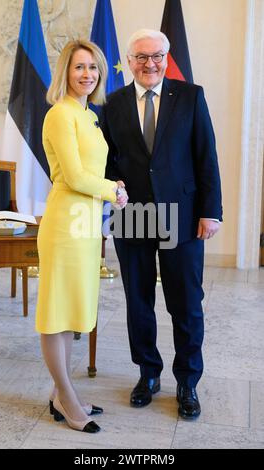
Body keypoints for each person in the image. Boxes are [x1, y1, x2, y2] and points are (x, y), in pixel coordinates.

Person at [100, 29, 222, 420]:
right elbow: (107, 161)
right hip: (133, 213)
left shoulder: (190, 96)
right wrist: (108, 200)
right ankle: (148, 374)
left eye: (157, 56)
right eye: (141, 57)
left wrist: (211, 210)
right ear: (130, 60)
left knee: (186, 303)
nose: (149, 63)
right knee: (139, 301)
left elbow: (206, 156)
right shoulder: (113, 102)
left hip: (182, 215)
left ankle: (187, 381)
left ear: (167, 58)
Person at [35, 39, 128, 433]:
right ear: (65, 72)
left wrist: (111, 184)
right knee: (56, 315)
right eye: (79, 67)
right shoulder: (60, 114)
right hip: (65, 225)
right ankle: (68, 399)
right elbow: (72, 177)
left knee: (71, 312)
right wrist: (111, 190)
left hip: (87, 224)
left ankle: (64, 391)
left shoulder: (87, 115)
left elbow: (88, 170)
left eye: (93, 67)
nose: (87, 74)